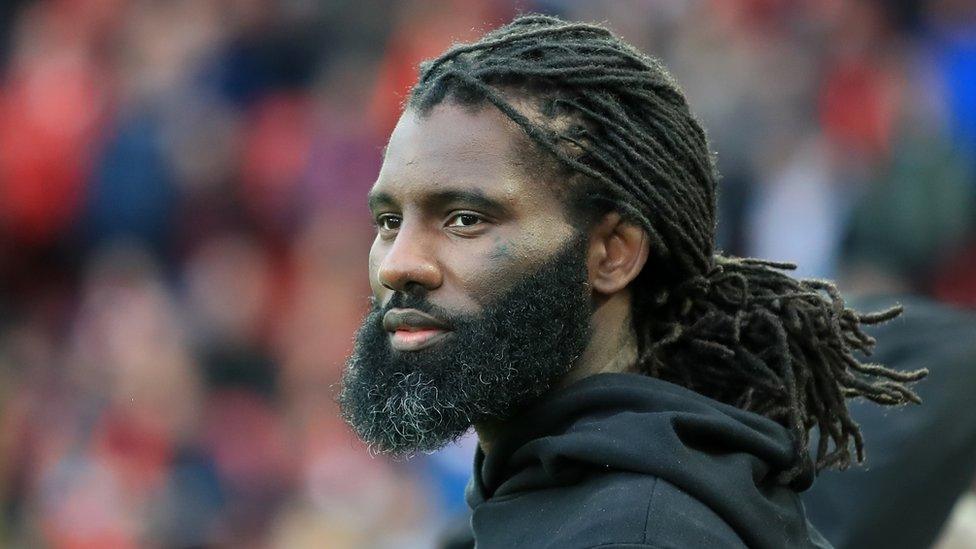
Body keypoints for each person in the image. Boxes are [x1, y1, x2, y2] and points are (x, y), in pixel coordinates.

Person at [338, 14, 925, 548]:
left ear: (613, 255)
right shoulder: (550, 502)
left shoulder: (639, 533)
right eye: (389, 221)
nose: (398, 264)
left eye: (465, 219)